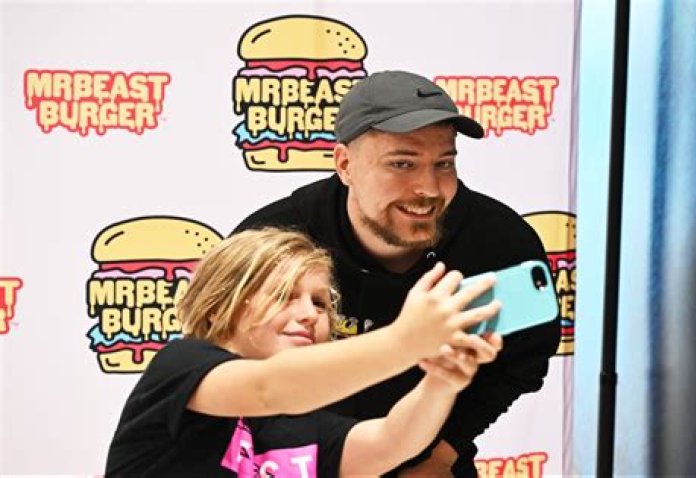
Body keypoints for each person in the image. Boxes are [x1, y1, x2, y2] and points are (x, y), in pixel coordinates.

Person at [232, 70, 562, 477]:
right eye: (402, 164)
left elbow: (522, 361)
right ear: (345, 164)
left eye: (443, 163)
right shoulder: (273, 240)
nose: (429, 188)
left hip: (425, 461)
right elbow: (225, 367)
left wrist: (442, 455)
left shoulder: (498, 243)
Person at [105, 227, 503, 477]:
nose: (310, 314)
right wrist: (405, 341)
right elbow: (267, 388)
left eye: (319, 303)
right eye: (284, 296)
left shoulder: (301, 425)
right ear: (219, 303)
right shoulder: (181, 365)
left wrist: (441, 381)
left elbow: (389, 443)